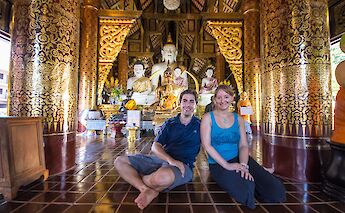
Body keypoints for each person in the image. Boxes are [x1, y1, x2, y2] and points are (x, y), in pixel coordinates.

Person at [200, 85, 286, 209]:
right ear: (214, 100)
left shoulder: (238, 119)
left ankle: (258, 181)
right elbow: (207, 146)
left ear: (232, 98)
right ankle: (252, 185)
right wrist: (227, 165)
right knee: (245, 190)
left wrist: (244, 166)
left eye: (226, 96)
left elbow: (243, 145)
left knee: (276, 191)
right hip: (219, 164)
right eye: (219, 97)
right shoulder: (208, 118)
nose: (222, 100)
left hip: (240, 159)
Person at [114, 90, 201, 209]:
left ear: (196, 104)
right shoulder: (170, 123)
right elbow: (155, 146)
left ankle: (140, 177)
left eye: (191, 101)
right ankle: (145, 189)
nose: (188, 105)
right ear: (179, 103)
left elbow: (211, 145)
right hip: (162, 159)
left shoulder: (200, 125)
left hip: (183, 165)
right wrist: (170, 160)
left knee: (162, 178)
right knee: (119, 161)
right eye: (184, 101)